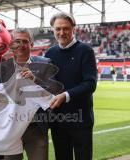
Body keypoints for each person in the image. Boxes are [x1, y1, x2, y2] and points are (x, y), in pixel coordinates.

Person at [0, 28, 63, 160]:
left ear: (31, 44)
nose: (21, 45)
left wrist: (35, 80)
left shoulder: (45, 63)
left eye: (25, 41)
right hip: (10, 130)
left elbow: (55, 91)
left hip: (36, 129)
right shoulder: (1, 68)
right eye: (17, 41)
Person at [44, 13, 97, 160]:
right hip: (58, 119)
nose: (61, 32)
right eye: (58, 29)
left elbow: (90, 84)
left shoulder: (85, 50)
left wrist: (65, 96)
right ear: (53, 30)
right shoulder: (50, 52)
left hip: (81, 119)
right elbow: (47, 84)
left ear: (73, 28)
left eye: (66, 28)